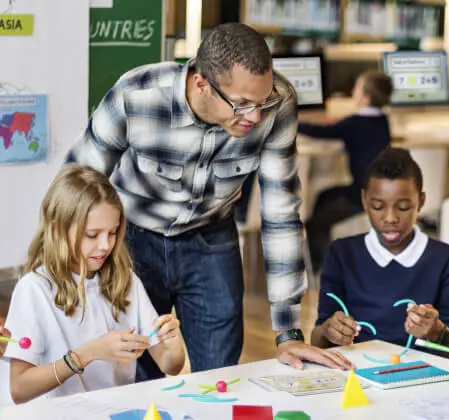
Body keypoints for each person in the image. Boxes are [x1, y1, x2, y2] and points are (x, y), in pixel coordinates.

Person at [66, 23, 353, 380]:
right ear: (201, 83)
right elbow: (76, 187)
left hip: (210, 237)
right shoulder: (137, 94)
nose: (256, 117)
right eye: (242, 104)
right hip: (131, 240)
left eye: (261, 103)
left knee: (220, 377)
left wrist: (287, 332)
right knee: (133, 372)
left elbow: (281, 213)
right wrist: (64, 278)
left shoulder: (278, 104)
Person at [3, 165, 186, 404]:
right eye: (92, 235)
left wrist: (173, 342)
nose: (105, 245)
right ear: (57, 229)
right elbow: (19, 389)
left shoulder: (126, 281)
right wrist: (89, 353)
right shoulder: (34, 289)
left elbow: (170, 365)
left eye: (112, 232)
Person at [312, 148, 449, 353]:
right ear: (364, 200)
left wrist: (438, 333)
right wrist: (328, 330)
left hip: (422, 374)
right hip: (356, 375)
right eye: (378, 207)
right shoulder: (341, 254)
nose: (390, 218)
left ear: (421, 202)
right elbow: (317, 339)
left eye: (404, 207)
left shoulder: (446, 258)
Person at [301, 69, 393, 273]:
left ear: (365, 97)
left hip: (361, 195)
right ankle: (321, 262)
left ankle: (324, 268)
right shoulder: (383, 122)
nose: (353, 91)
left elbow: (320, 132)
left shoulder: (355, 124)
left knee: (315, 222)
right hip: (377, 190)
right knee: (324, 197)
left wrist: (292, 122)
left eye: (357, 88)